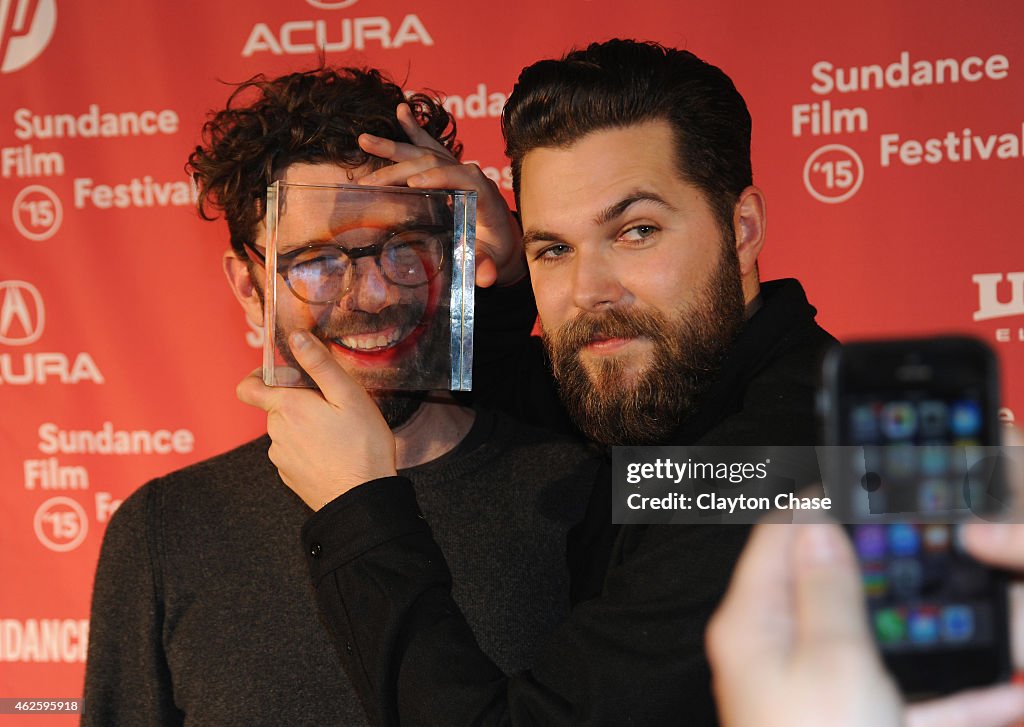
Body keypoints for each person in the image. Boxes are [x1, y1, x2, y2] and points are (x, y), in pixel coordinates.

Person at [249, 40, 838, 724]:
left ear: (742, 229)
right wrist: (507, 275)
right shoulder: (678, 383)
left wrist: (357, 508)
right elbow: (532, 400)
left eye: (636, 231)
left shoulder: (783, 468)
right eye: (556, 246)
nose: (590, 290)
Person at [80, 66, 598, 726]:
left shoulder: (581, 491)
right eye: (315, 263)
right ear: (248, 286)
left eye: (403, 247)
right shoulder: (164, 530)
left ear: (457, 251)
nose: (374, 295)